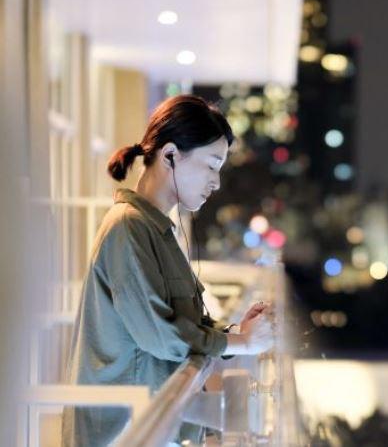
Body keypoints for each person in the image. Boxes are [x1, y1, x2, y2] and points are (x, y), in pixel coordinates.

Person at [61, 95, 275, 446]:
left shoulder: (156, 229)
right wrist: (245, 343)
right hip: (126, 433)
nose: (216, 182)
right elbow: (160, 335)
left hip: (150, 424)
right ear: (170, 155)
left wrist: (237, 331)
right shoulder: (127, 226)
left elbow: (180, 322)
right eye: (211, 165)